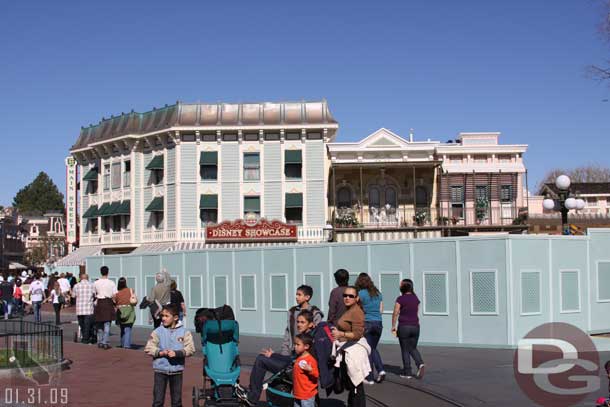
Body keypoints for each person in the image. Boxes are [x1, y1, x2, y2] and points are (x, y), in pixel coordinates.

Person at [236, 310, 316, 406]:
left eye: (302, 322)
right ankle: (252, 394)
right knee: (262, 357)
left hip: (293, 369)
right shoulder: (303, 337)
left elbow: (305, 362)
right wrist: (273, 355)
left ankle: (252, 397)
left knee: (261, 360)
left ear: (310, 324)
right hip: (291, 364)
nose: (299, 325)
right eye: (298, 322)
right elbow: (291, 358)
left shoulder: (308, 341)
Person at [145, 304, 195, 407]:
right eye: (162, 316)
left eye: (167, 316)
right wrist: (160, 352)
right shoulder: (157, 331)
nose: (163, 318)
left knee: (176, 401)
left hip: (176, 370)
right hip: (160, 370)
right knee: (158, 400)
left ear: (175, 318)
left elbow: (190, 349)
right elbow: (149, 347)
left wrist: (177, 353)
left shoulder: (184, 332)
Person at [331, 286, 367, 407]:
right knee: (352, 386)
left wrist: (341, 333)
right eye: (345, 295)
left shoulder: (356, 312)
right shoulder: (349, 310)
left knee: (355, 385)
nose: (347, 298)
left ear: (356, 298)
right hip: (348, 350)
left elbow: (357, 334)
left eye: (351, 296)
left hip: (354, 353)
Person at [355, 272, 386, 384]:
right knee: (372, 348)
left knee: (367, 350)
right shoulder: (378, 293)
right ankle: (381, 370)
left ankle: (369, 377)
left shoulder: (361, 294)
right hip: (378, 323)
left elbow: (356, 308)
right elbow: (381, 310)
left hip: (367, 323)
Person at [391, 279, 425, 379]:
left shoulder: (400, 299)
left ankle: (407, 372)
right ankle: (420, 364)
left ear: (403, 287)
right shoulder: (416, 299)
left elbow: (396, 312)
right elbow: (416, 312)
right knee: (412, 348)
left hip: (404, 327)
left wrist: (393, 326)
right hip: (415, 326)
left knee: (405, 349)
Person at [93, 266, 117, 349]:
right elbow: (114, 295)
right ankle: (105, 342)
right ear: (108, 272)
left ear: (100, 272)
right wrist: (115, 305)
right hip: (108, 302)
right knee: (107, 323)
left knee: (99, 323)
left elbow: (94, 293)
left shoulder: (96, 283)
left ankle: (100, 341)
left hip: (99, 302)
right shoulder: (111, 282)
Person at [292, 333, 319, 407]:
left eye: (298, 345)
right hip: (297, 393)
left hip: (307, 395)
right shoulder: (298, 357)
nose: (295, 347)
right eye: (295, 344)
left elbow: (316, 375)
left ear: (306, 346)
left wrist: (310, 370)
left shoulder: (310, 360)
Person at [73, 273, 96, 344]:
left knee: (82, 324)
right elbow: (94, 294)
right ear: (87, 278)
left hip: (80, 308)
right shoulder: (92, 285)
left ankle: (84, 337)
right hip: (88, 308)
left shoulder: (76, 286)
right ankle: (86, 339)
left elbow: (73, 296)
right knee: (88, 325)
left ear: (80, 278)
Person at [114, 277, 136, 349]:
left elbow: (115, 302)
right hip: (130, 310)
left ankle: (123, 344)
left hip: (120, 311)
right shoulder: (131, 290)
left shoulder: (117, 294)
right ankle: (126, 345)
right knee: (128, 329)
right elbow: (134, 300)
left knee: (122, 329)